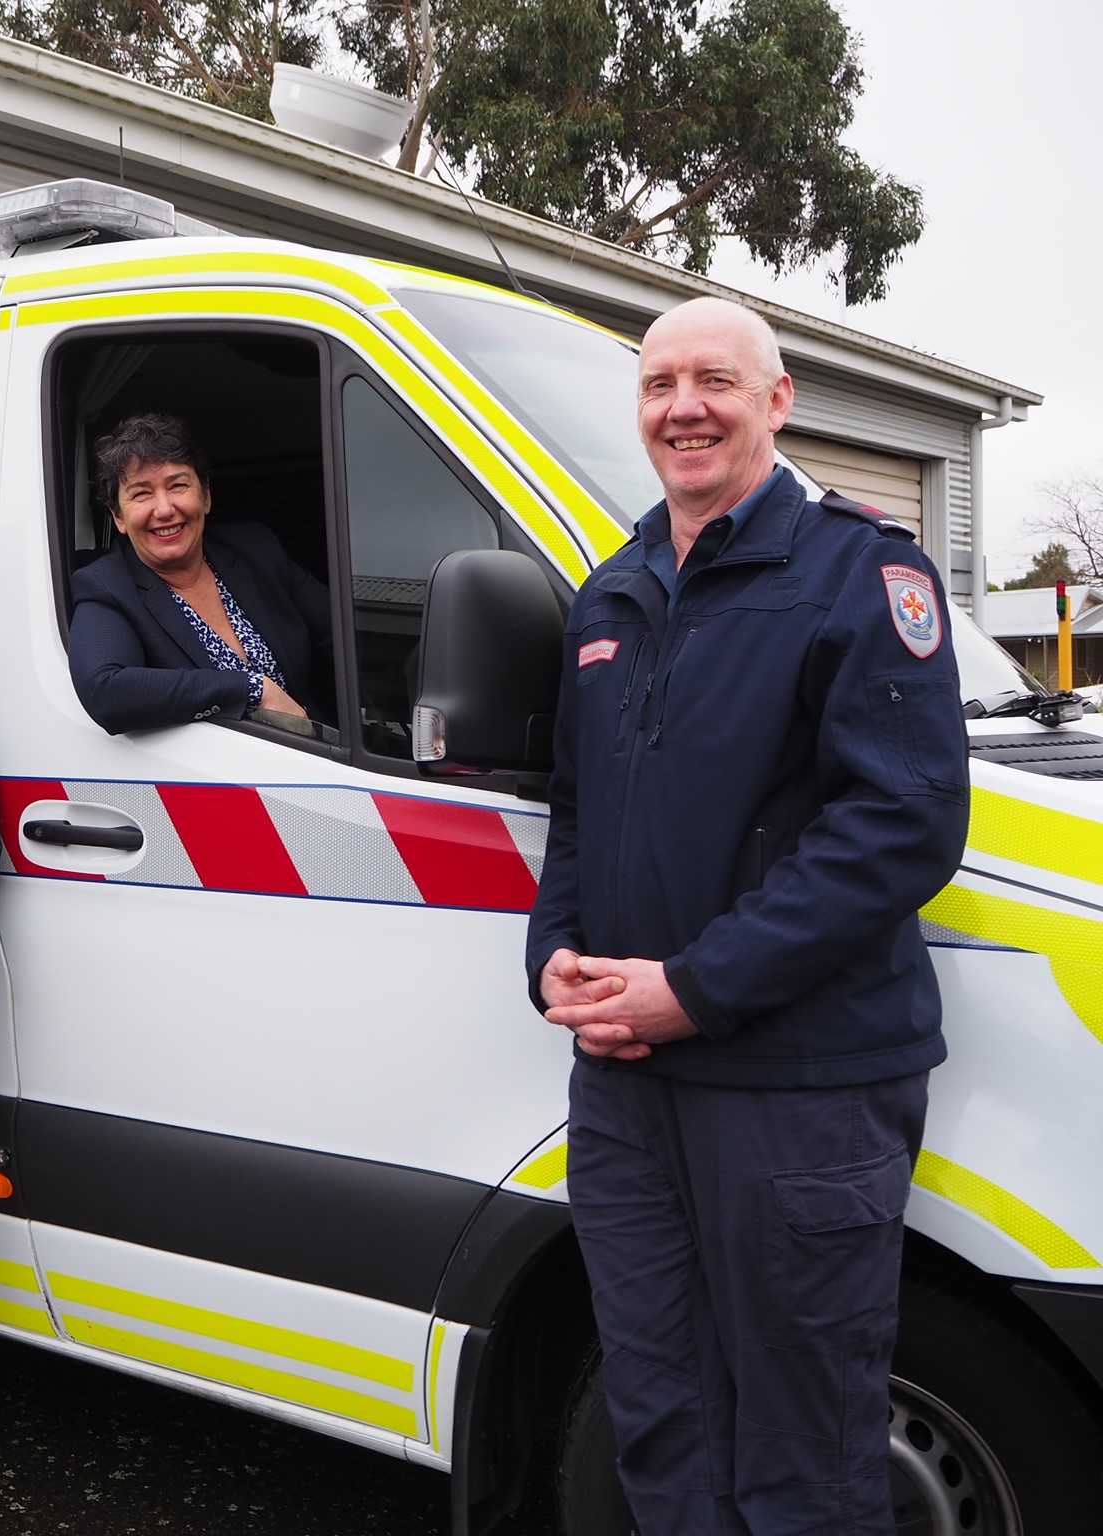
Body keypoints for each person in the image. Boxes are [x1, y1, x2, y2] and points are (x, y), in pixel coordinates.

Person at [524, 297, 970, 1533]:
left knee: (802, 1444)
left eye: (713, 381)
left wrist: (694, 989)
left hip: (794, 1087)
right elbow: (576, 811)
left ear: (776, 400)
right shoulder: (610, 591)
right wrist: (552, 954)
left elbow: (901, 823)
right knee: (659, 1419)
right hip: (626, 1090)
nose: (683, 408)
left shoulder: (858, 571)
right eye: (658, 384)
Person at [67, 412, 333, 734]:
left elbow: (342, 633)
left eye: (178, 485)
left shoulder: (255, 549)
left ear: (205, 496)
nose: (164, 509)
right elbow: (106, 690)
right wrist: (251, 689)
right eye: (141, 493)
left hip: (313, 754)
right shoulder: (105, 585)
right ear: (118, 516)